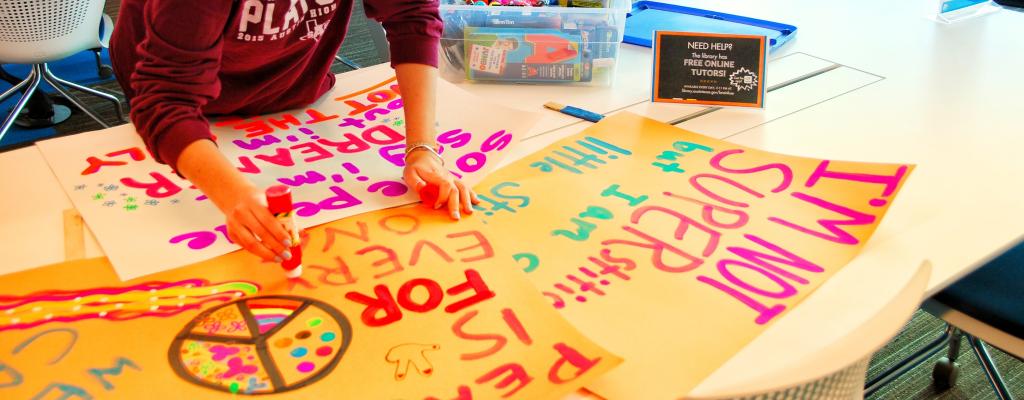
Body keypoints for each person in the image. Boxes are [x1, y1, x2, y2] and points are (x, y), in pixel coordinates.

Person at [110, 0, 477, 264]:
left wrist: (423, 147)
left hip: (292, 88)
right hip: (181, 92)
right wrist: (234, 194)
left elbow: (411, 16)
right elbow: (166, 99)